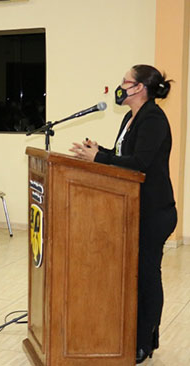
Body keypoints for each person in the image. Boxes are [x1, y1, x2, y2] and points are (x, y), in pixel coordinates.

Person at [69, 65, 176, 363]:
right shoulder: (132, 118)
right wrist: (99, 150)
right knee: (137, 277)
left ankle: (145, 342)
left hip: (154, 212)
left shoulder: (153, 118)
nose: (120, 86)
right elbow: (124, 156)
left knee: (147, 277)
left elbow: (140, 162)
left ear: (139, 87)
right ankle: (139, 335)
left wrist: (100, 158)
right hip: (134, 209)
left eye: (125, 81)